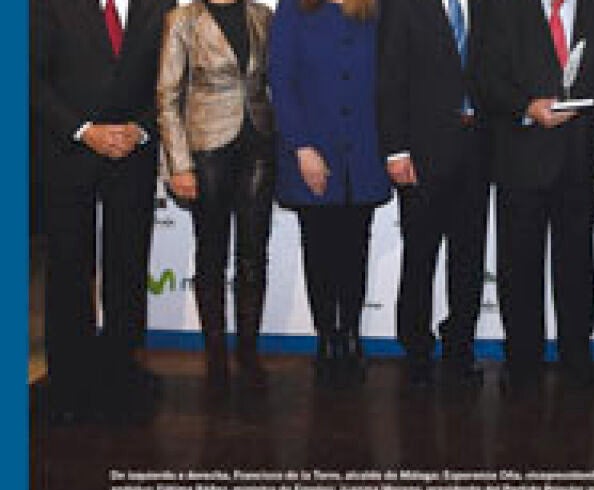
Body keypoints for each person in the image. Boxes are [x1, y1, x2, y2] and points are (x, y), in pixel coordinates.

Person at [31, 0, 177, 423]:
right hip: (65, 153)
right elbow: (30, 78)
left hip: (134, 153)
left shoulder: (161, 5)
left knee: (128, 266)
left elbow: (170, 80)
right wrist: (82, 131)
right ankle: (68, 378)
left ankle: (122, 370)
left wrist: (141, 129)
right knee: (68, 268)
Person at [478, 0, 594, 387]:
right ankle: (522, 364)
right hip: (520, 155)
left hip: (580, 159)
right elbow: (484, 76)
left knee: (577, 265)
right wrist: (526, 107)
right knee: (518, 267)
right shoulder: (500, 8)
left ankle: (578, 360)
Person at [269, 0, 392, 386]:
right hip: (311, 151)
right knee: (318, 247)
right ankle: (326, 337)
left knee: (356, 249)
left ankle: (351, 336)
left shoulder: (376, 8)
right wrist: (302, 147)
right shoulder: (294, 8)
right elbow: (281, 80)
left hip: (364, 152)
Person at [157, 0, 275, 387]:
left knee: (254, 253)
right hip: (207, 147)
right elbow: (167, 96)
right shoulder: (182, 19)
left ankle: (248, 351)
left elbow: (275, 81)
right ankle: (216, 354)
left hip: (258, 144)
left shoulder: (262, 16)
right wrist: (179, 164)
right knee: (211, 253)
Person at [377, 0, 490, 387]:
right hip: (422, 154)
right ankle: (416, 350)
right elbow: (389, 76)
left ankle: (460, 347)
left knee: (469, 258)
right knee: (420, 256)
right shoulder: (402, 6)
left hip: (478, 152)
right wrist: (395, 150)